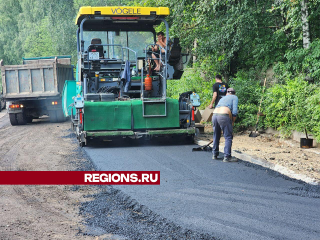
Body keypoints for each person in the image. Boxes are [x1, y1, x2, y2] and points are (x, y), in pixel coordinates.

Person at [212, 88, 238, 162]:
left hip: (214, 115)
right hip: (223, 115)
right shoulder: (234, 97)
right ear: (234, 93)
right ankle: (227, 157)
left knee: (216, 135)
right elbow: (234, 112)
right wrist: (232, 122)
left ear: (226, 93)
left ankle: (214, 154)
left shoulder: (222, 98)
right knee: (228, 136)